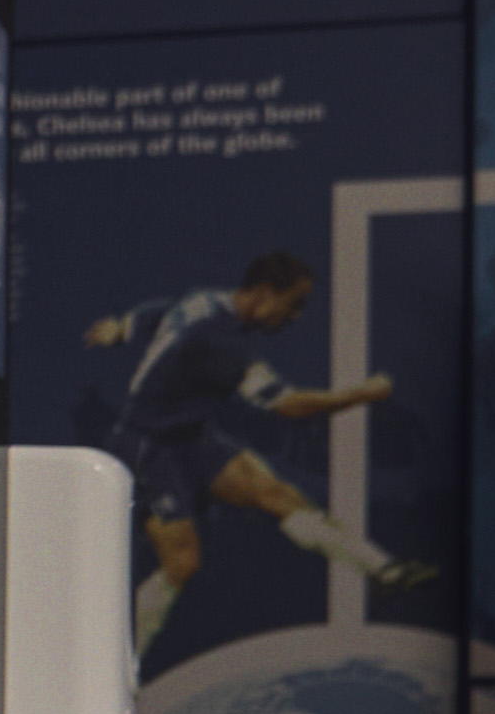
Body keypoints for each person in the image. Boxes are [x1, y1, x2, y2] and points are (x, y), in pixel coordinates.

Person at [76, 249, 416, 659]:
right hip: (148, 448)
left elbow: (154, 316)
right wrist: (363, 394)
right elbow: (288, 405)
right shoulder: (223, 345)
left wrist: (119, 328)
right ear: (262, 293)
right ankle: (120, 662)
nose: (295, 316)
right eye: (294, 303)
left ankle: (383, 570)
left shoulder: (203, 301)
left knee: (276, 493)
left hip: (192, 437)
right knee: (182, 565)